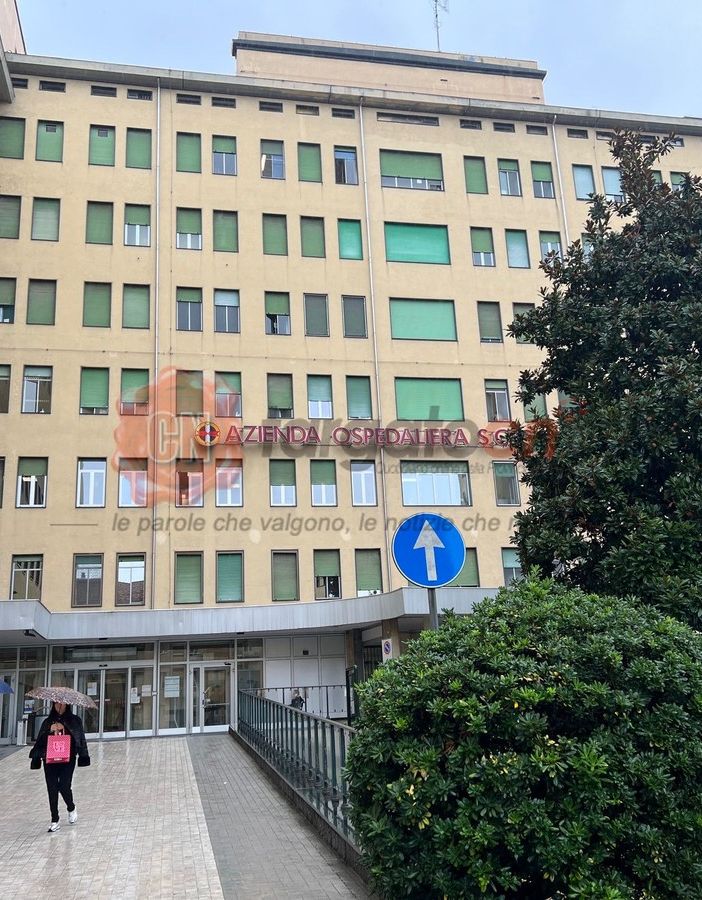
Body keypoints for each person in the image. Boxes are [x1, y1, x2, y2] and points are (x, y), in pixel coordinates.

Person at [29, 701, 90, 833]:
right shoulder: (47, 722)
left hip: (67, 758)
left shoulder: (75, 720)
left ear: (67, 705)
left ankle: (71, 807)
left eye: (62, 704)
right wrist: (50, 730)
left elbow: (80, 739)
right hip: (50, 758)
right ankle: (54, 819)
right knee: (52, 788)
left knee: (64, 786)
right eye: (56, 704)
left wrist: (83, 755)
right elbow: (39, 741)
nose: (59, 706)